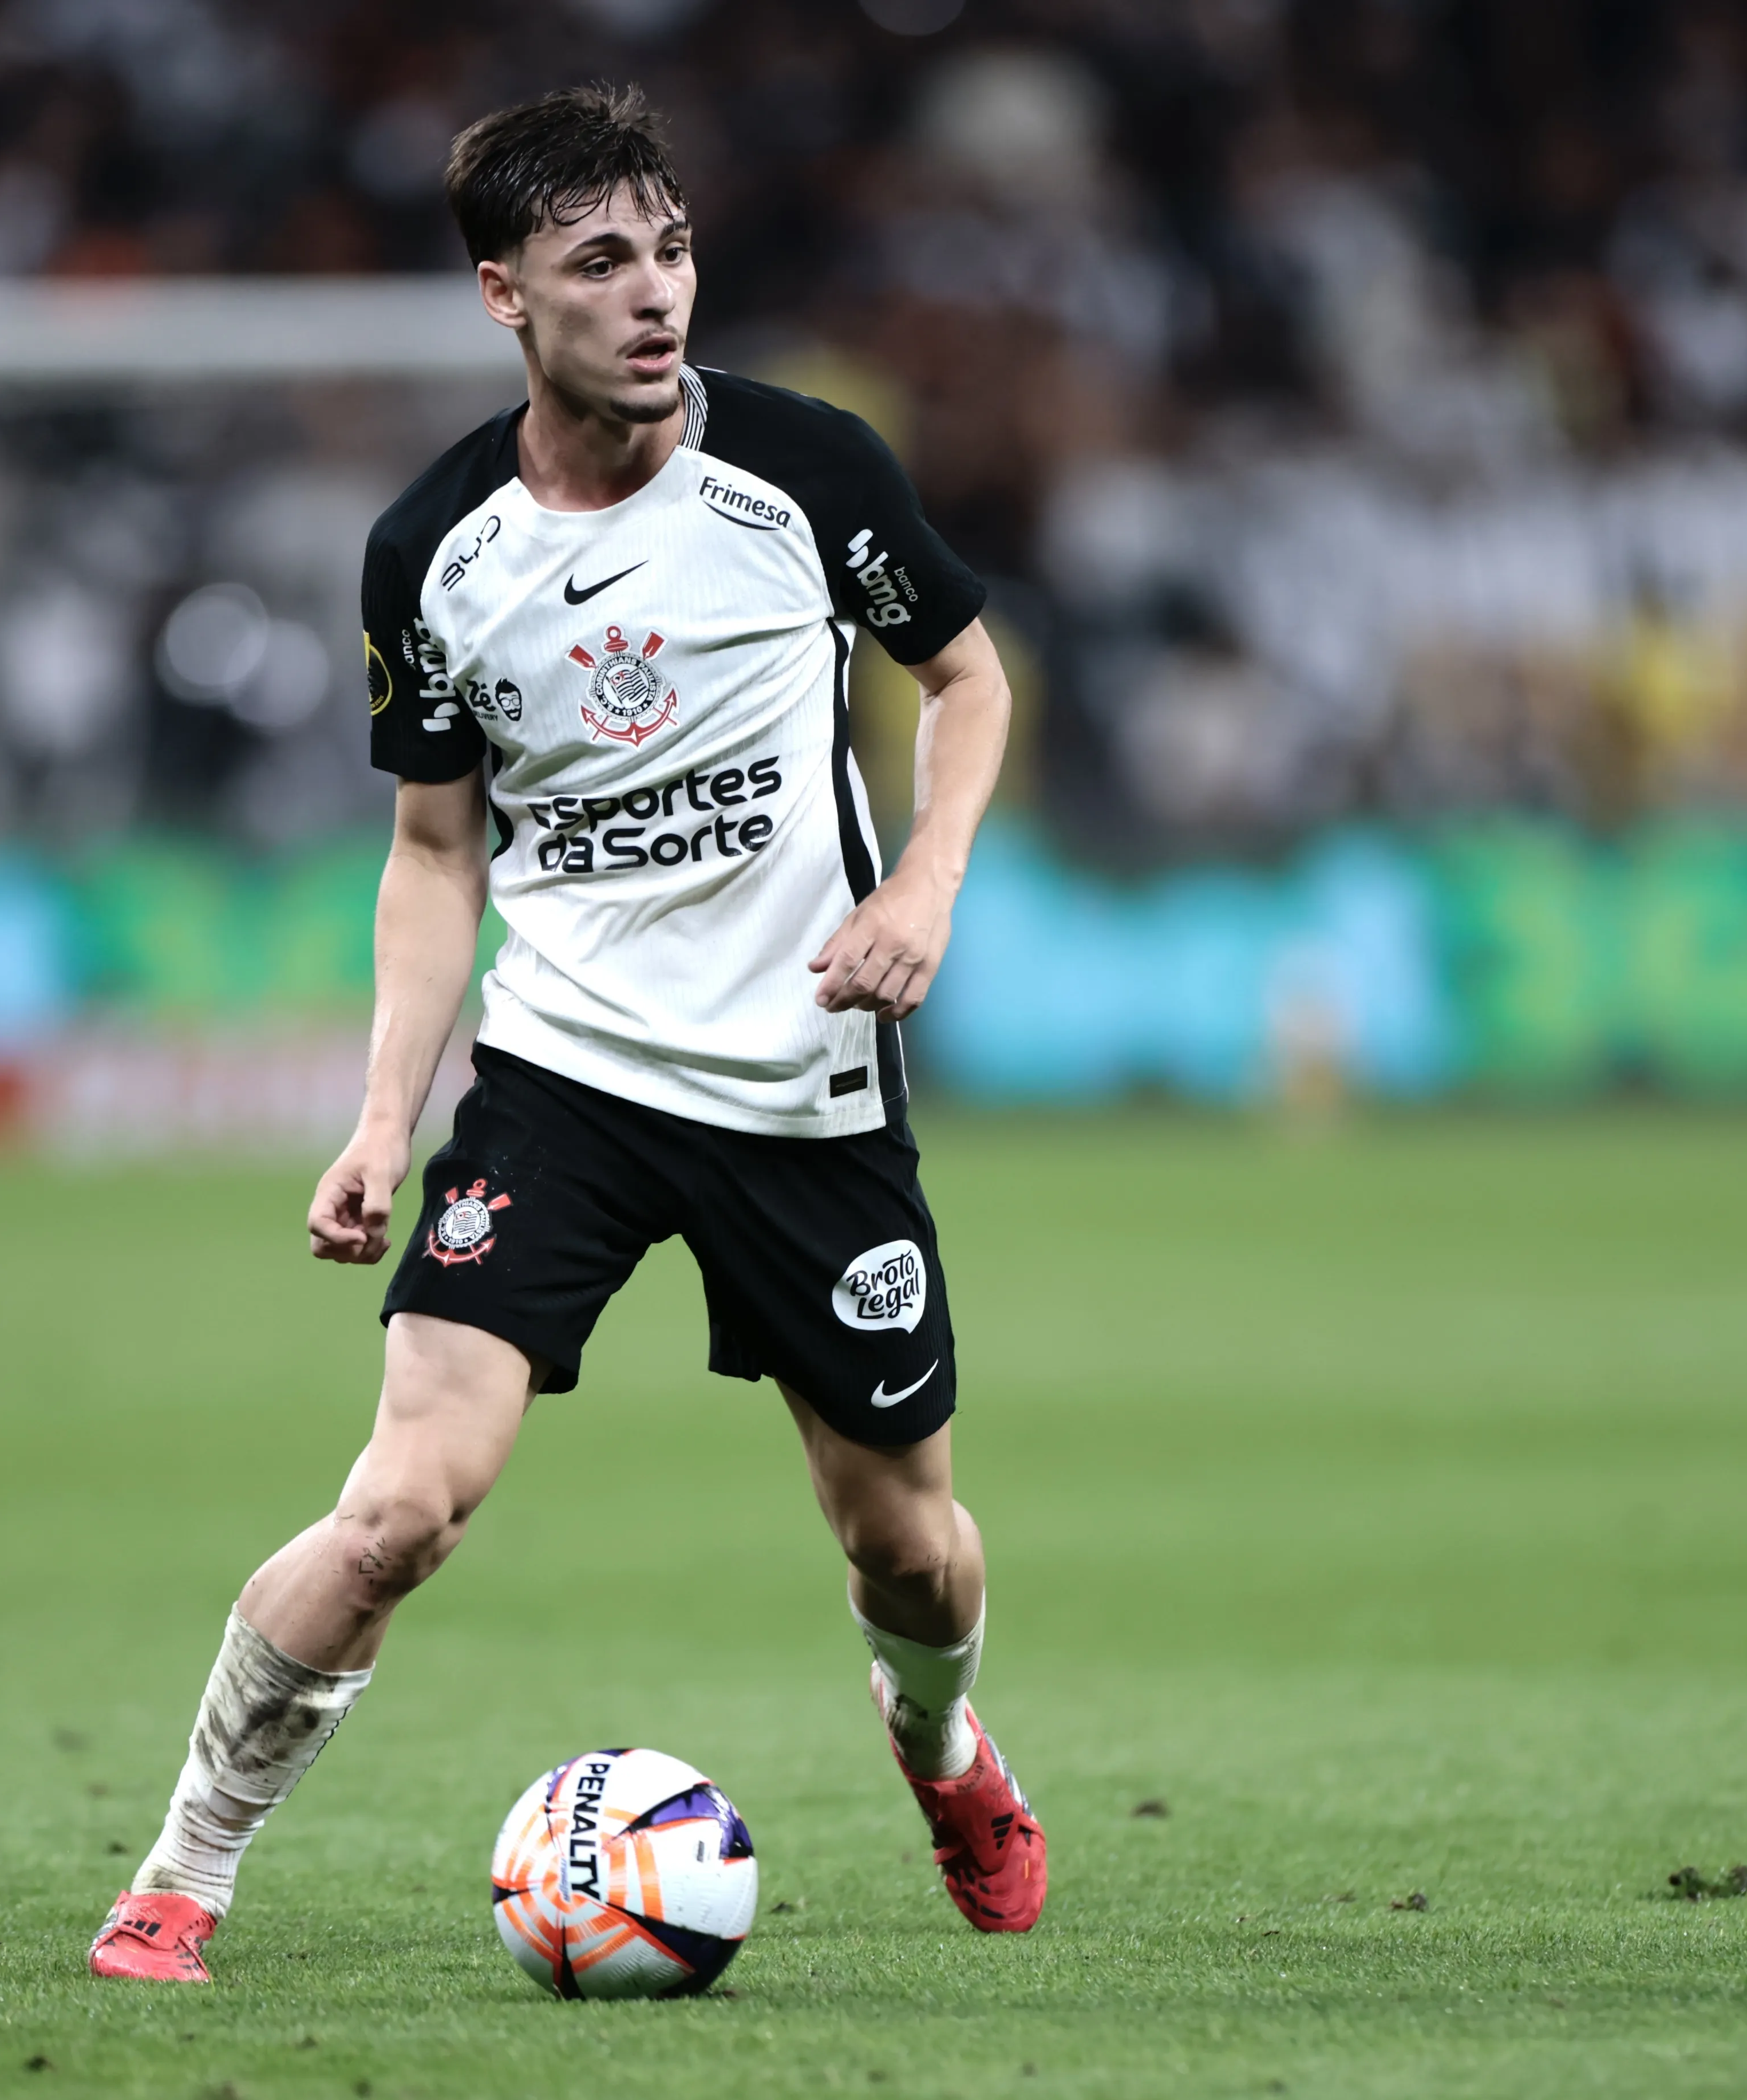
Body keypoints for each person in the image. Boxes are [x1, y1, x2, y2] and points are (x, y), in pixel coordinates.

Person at [89, 84, 1039, 1981]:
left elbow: (965, 676)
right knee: (397, 1509)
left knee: (908, 1548)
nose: (654, 293)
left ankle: (938, 1746)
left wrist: (921, 885)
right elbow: (434, 852)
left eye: (670, 249)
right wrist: (383, 1116)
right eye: (601, 261)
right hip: (566, 1080)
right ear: (503, 293)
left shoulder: (806, 471)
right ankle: (180, 1871)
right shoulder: (430, 552)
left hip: (804, 1083)